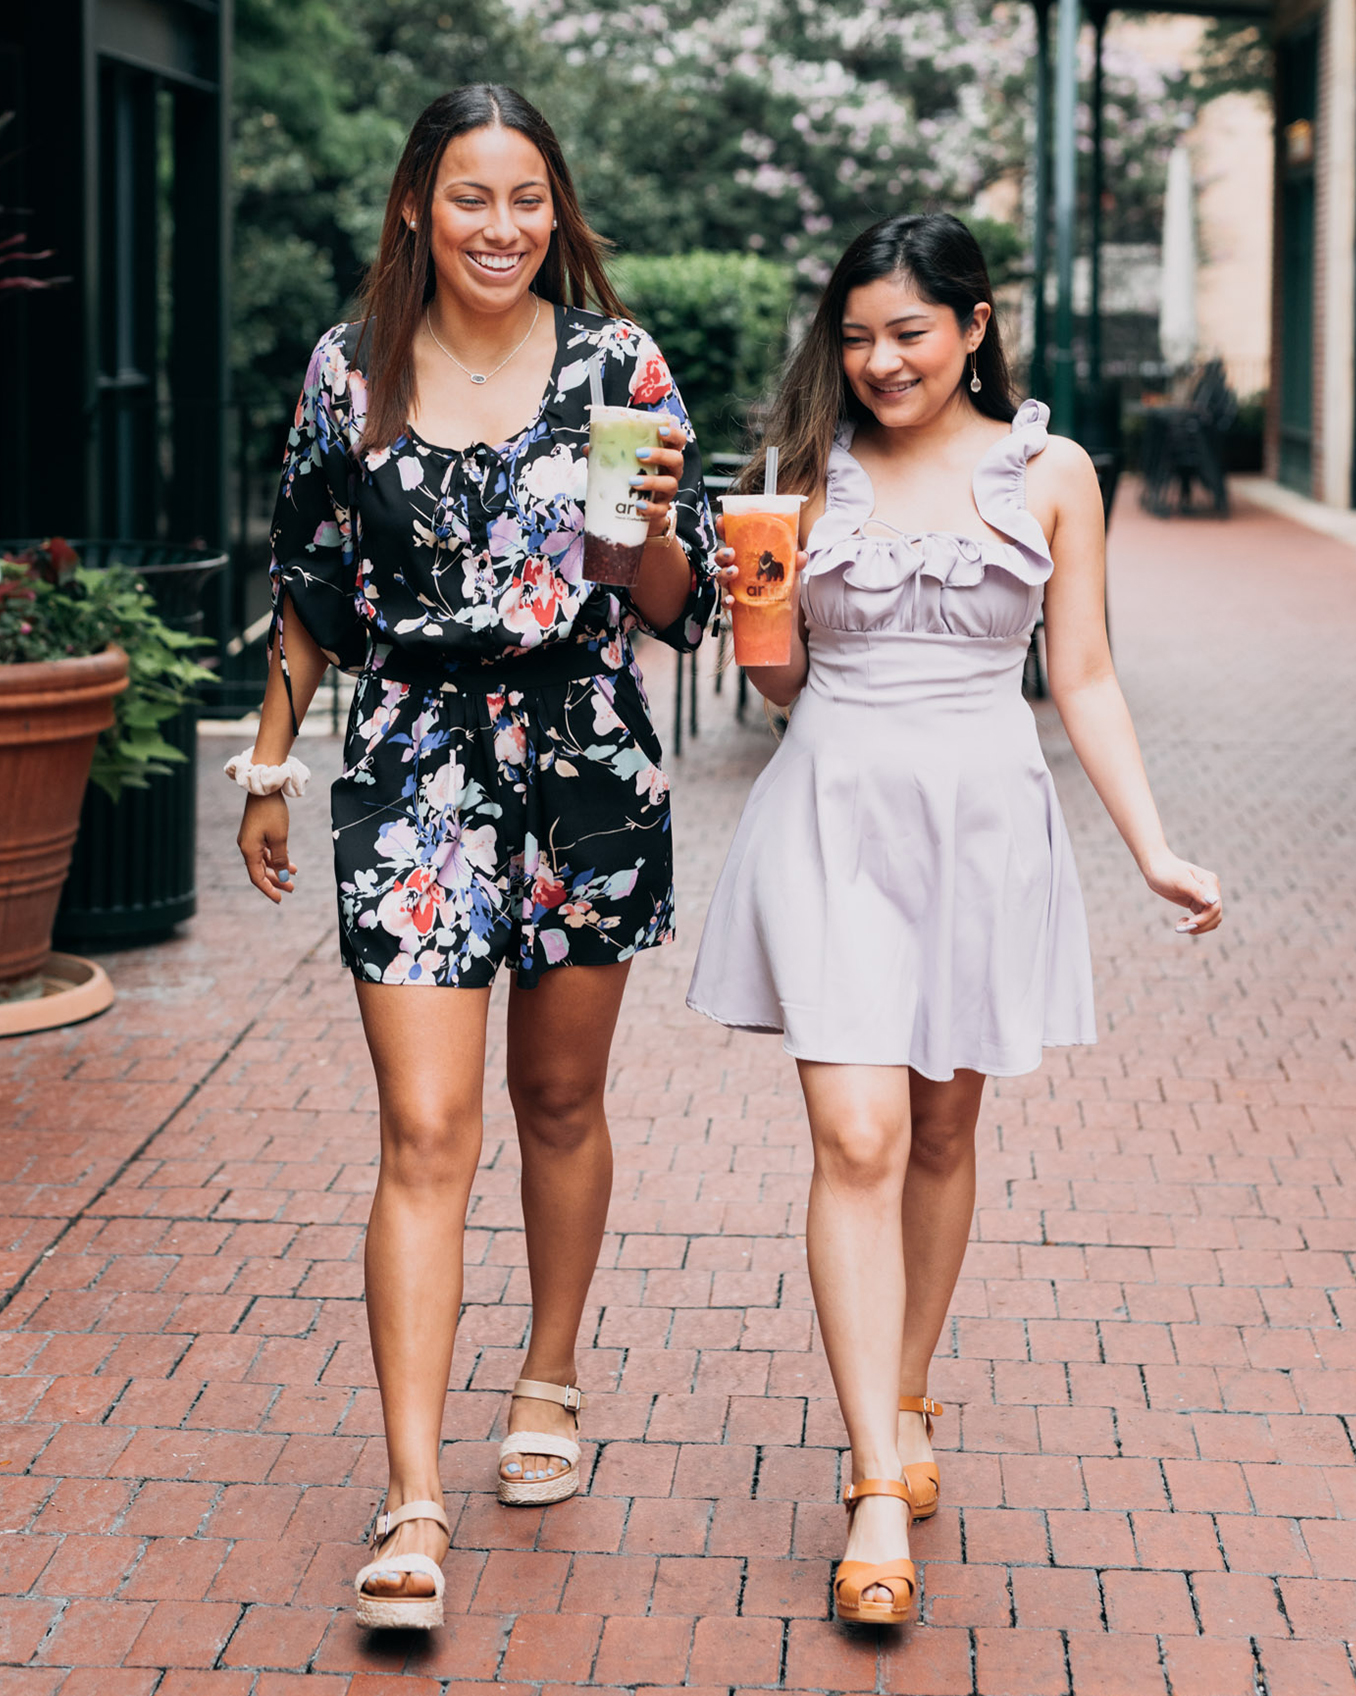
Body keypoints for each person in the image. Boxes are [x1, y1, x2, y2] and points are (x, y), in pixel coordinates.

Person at [687, 212, 1222, 1626]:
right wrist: (768, 630)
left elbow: (1086, 676)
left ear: (975, 328)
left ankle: (908, 1389)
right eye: (855, 337)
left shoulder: (1052, 473)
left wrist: (1154, 847)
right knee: (853, 1132)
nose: (879, 363)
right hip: (836, 810)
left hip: (984, 818)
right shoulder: (803, 470)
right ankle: (873, 1475)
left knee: (940, 1127)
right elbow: (783, 689)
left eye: (909, 334)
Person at [232, 84, 717, 1630]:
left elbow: (673, 606)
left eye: (526, 200)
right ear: (414, 213)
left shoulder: (616, 368)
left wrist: (650, 532)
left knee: (558, 1096)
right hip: (413, 763)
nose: (500, 227)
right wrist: (265, 756)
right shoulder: (347, 372)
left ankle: (550, 1384)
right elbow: (309, 580)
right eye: (468, 198)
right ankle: (413, 1494)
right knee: (424, 1121)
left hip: (582, 756)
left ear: (556, 212)